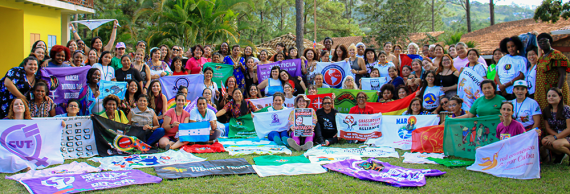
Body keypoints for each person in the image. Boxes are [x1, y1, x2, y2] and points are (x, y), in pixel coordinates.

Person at [536, 33, 570, 109]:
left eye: (545, 41)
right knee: (546, 113)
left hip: (555, 90)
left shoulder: (556, 55)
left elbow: (563, 74)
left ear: (550, 42)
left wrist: (558, 91)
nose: (543, 43)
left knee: (559, 112)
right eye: (540, 42)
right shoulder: (542, 57)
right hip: (543, 91)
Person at [541, 88, 570, 163]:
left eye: (554, 96)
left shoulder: (566, 109)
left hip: (568, 135)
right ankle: (560, 154)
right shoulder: (546, 110)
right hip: (557, 134)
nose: (551, 97)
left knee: (556, 144)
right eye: (549, 96)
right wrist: (556, 136)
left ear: (560, 97)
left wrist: (555, 138)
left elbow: (569, 129)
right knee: (544, 141)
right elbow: (547, 128)